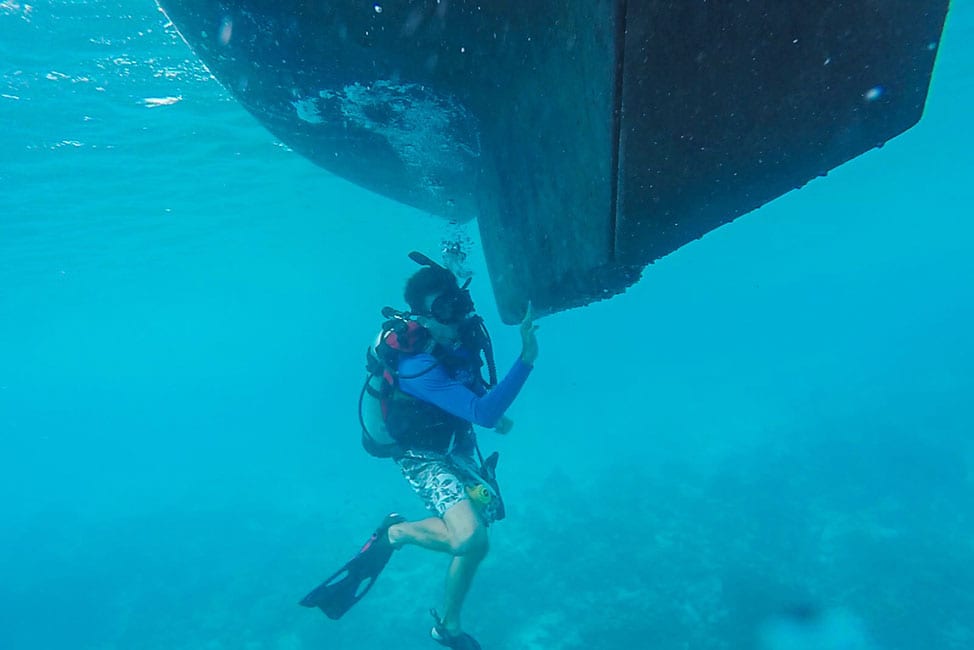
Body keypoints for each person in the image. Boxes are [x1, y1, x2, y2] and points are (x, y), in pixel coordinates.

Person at [300, 252, 538, 650]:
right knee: (470, 541)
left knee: (479, 537)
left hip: (456, 445)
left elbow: (471, 388)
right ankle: (395, 534)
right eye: (446, 309)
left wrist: (490, 409)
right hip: (422, 458)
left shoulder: (462, 337)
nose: (458, 315)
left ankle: (448, 627)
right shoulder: (415, 365)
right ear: (423, 318)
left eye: (459, 303)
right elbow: (481, 411)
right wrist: (526, 358)